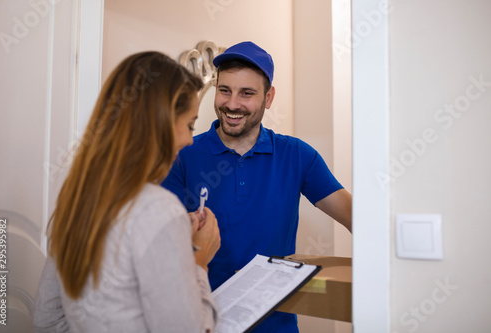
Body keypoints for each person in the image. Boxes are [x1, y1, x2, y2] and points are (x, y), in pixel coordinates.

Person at [162, 41, 352, 332]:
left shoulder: (298, 156)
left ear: (268, 97)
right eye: (224, 90)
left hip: (277, 326)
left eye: (247, 93)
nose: (232, 104)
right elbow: (161, 247)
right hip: (202, 322)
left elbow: (356, 218)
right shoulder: (183, 155)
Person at [33, 51, 221, 333]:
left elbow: (46, 321)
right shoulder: (160, 209)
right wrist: (198, 261)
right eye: (189, 125)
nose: (190, 140)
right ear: (160, 122)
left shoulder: (77, 199)